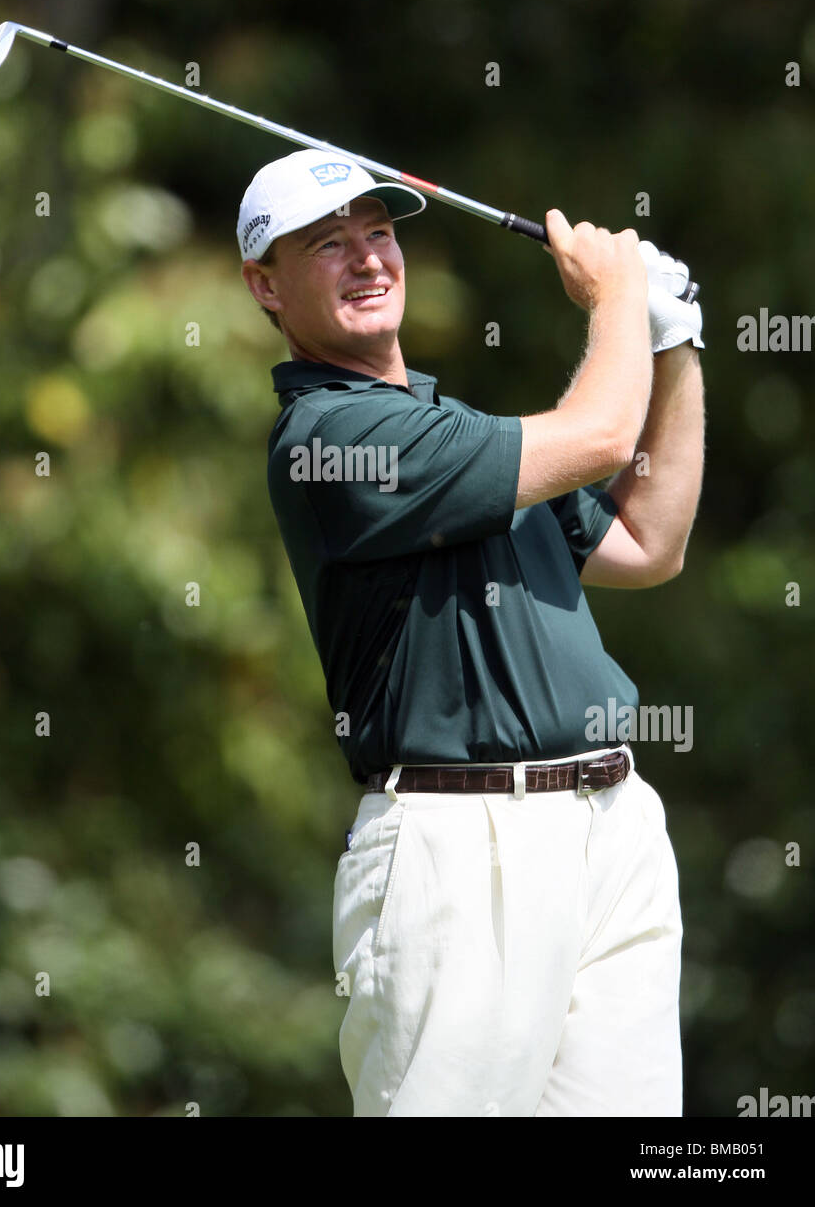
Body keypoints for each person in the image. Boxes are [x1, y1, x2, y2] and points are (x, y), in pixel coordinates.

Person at [238, 147, 705, 1117]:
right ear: (264, 286)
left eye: (379, 234)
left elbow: (650, 539)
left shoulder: (460, 433)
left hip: (612, 830)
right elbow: (600, 436)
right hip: (462, 850)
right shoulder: (329, 440)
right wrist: (616, 298)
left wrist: (672, 341)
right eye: (328, 245)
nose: (368, 259)